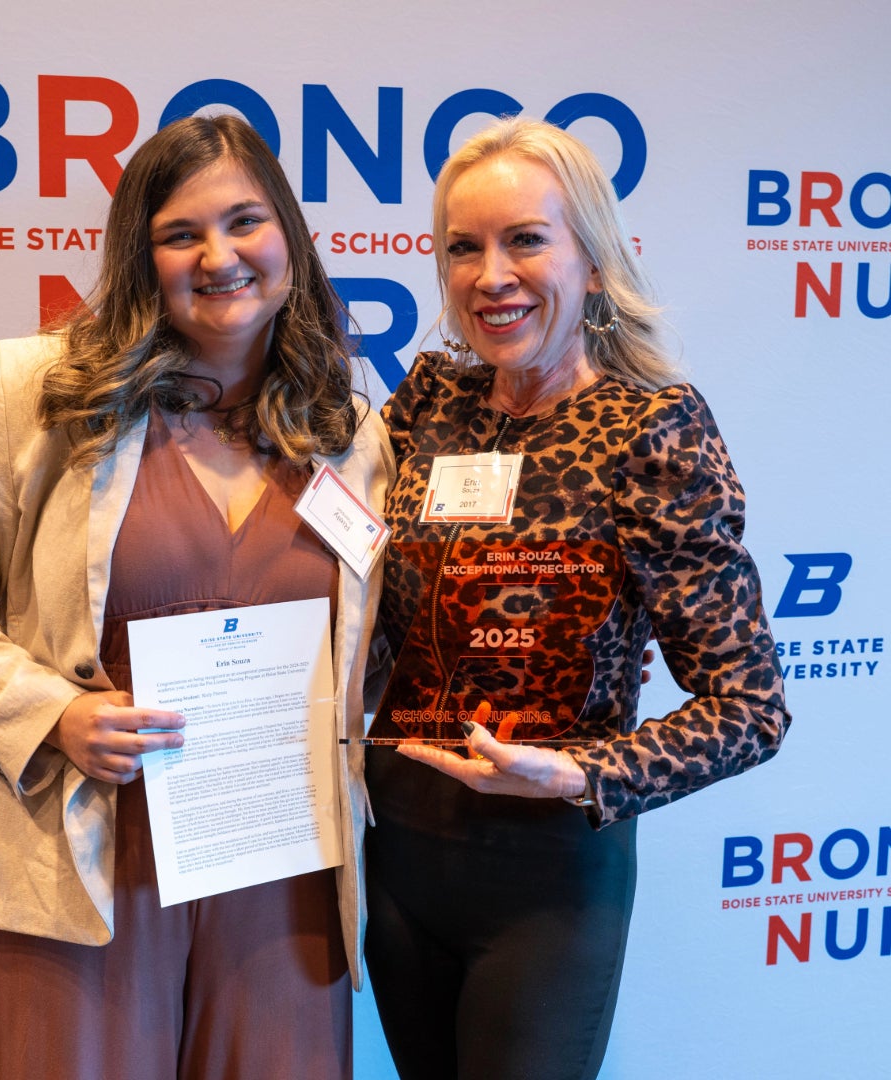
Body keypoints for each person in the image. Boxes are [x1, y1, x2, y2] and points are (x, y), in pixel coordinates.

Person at [0, 114, 393, 1080]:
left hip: (280, 868)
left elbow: (372, 660)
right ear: (138, 256)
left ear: (288, 235)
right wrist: (56, 713)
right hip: (90, 865)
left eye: (246, 222)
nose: (220, 256)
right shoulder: (40, 395)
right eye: (179, 234)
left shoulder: (351, 435)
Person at [362, 116, 790, 1080]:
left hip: (545, 871)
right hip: (399, 846)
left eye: (525, 239)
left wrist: (584, 775)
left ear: (592, 260)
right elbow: (371, 599)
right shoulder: (430, 401)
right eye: (462, 248)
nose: (490, 275)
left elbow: (753, 710)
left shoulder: (654, 429)